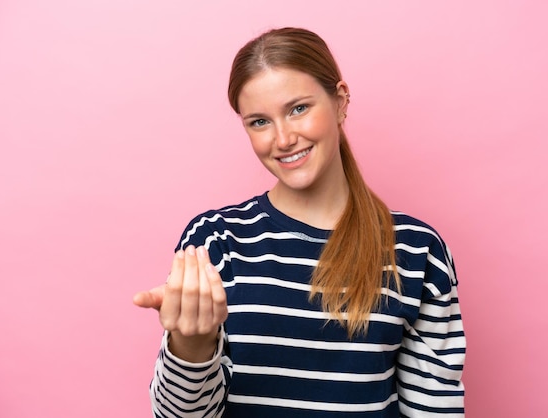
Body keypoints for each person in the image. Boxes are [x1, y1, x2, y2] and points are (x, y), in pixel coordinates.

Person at [133, 27, 466, 418]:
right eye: (259, 122)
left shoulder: (416, 249)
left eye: (298, 109)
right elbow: (178, 416)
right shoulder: (215, 241)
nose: (283, 138)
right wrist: (191, 345)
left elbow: (435, 408)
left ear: (340, 101)